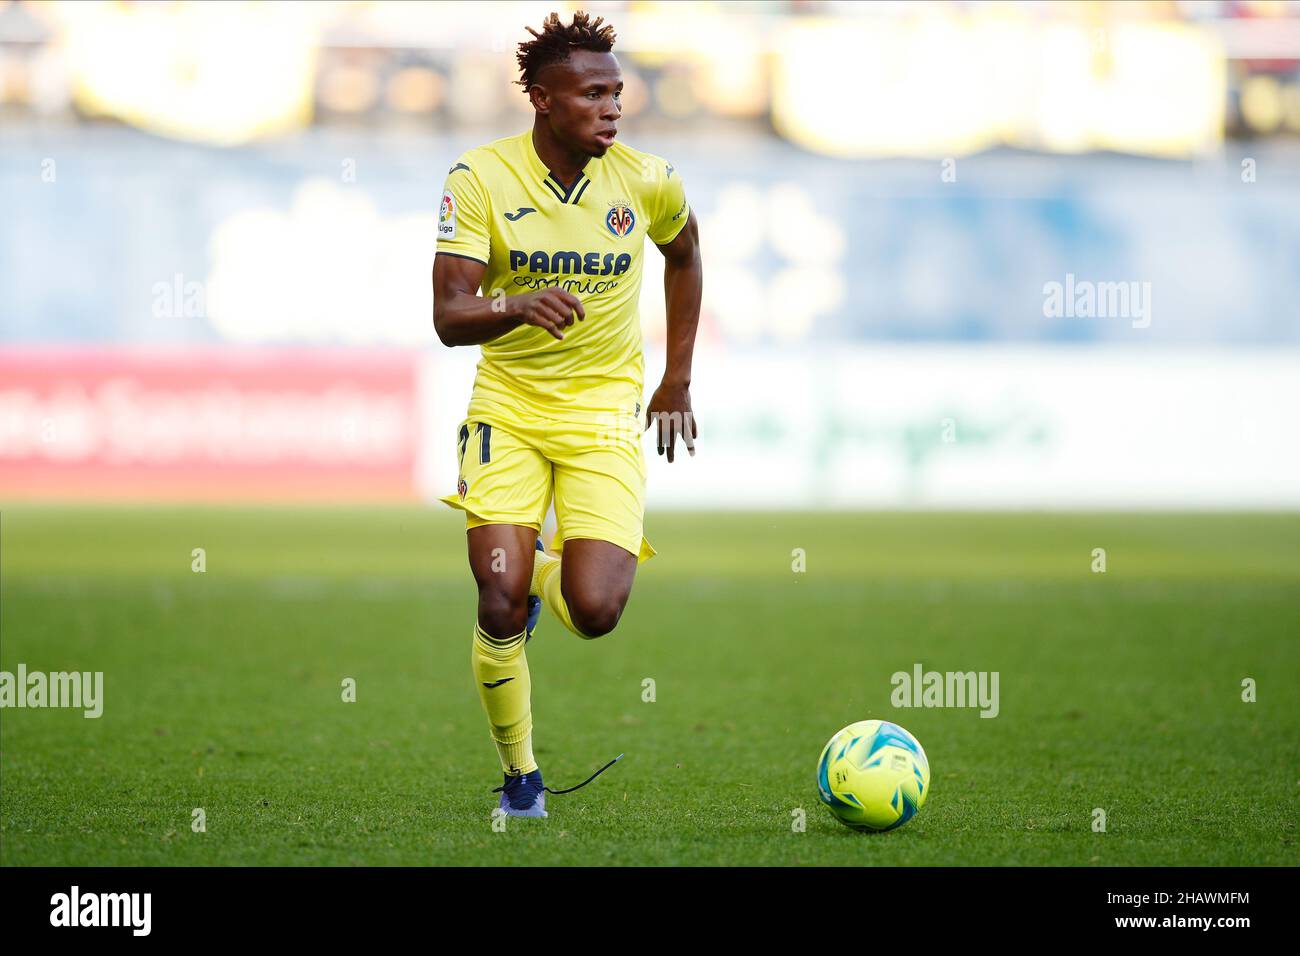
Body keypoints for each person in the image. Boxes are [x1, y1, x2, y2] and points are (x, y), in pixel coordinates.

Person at [431, 10, 703, 818]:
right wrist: (514, 304)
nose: (612, 108)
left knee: (595, 611)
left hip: (602, 418)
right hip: (507, 412)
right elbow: (450, 316)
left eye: (617, 93)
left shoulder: (648, 179)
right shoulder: (480, 178)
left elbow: (685, 255)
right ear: (544, 101)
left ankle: (550, 570)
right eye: (593, 94)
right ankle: (521, 782)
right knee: (497, 595)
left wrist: (677, 378)